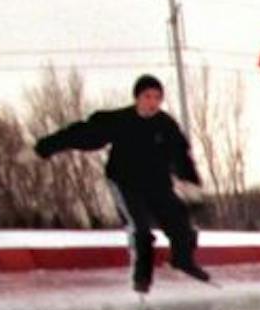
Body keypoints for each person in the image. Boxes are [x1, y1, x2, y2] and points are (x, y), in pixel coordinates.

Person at [35, 74, 210, 294]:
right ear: (137, 98)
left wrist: (191, 183)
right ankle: (142, 277)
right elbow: (81, 134)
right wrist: (44, 147)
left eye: (157, 97)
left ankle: (183, 260)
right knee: (140, 228)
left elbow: (181, 156)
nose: (152, 102)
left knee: (181, 222)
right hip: (125, 183)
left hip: (157, 184)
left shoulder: (166, 125)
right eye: (147, 96)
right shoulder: (120, 120)